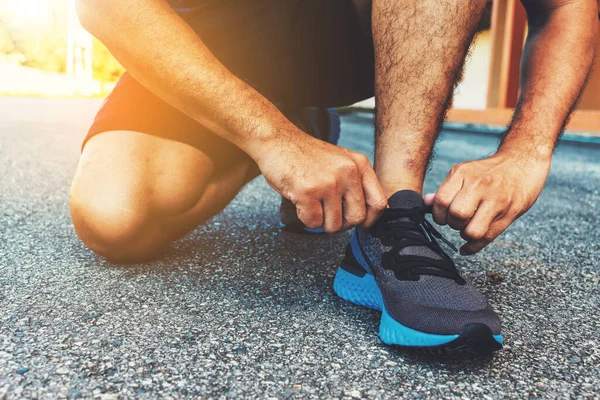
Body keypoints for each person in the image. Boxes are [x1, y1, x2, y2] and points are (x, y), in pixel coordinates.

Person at [69, 0, 598, 355]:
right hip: (213, 42)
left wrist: (527, 151)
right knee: (115, 216)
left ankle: (396, 218)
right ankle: (298, 124)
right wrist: (275, 142)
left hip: (371, 28)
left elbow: (567, 7)